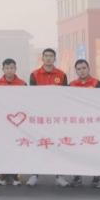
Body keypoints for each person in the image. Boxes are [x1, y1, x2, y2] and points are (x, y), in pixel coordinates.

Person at [28, 48, 69, 188]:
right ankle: (34, 174)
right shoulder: (34, 74)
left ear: (54, 58)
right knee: (38, 145)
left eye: (51, 56)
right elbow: (31, 96)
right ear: (42, 58)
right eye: (46, 56)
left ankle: (59, 175)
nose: (48, 58)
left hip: (56, 117)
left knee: (58, 145)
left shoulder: (62, 75)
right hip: (39, 116)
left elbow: (66, 96)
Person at [67, 59, 100, 188]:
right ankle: (77, 177)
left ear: (88, 69)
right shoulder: (71, 85)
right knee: (77, 150)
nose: (82, 71)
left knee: (95, 150)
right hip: (77, 123)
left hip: (93, 123)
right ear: (76, 71)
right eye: (79, 69)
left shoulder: (97, 83)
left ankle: (96, 178)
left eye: (84, 68)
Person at [0, 58, 25, 186]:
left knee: (16, 148)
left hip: (18, 124)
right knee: (2, 147)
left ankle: (16, 176)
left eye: (12, 68)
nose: (9, 70)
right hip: (1, 122)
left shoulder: (22, 84)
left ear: (15, 69)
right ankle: (2, 175)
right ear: (3, 69)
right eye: (7, 68)